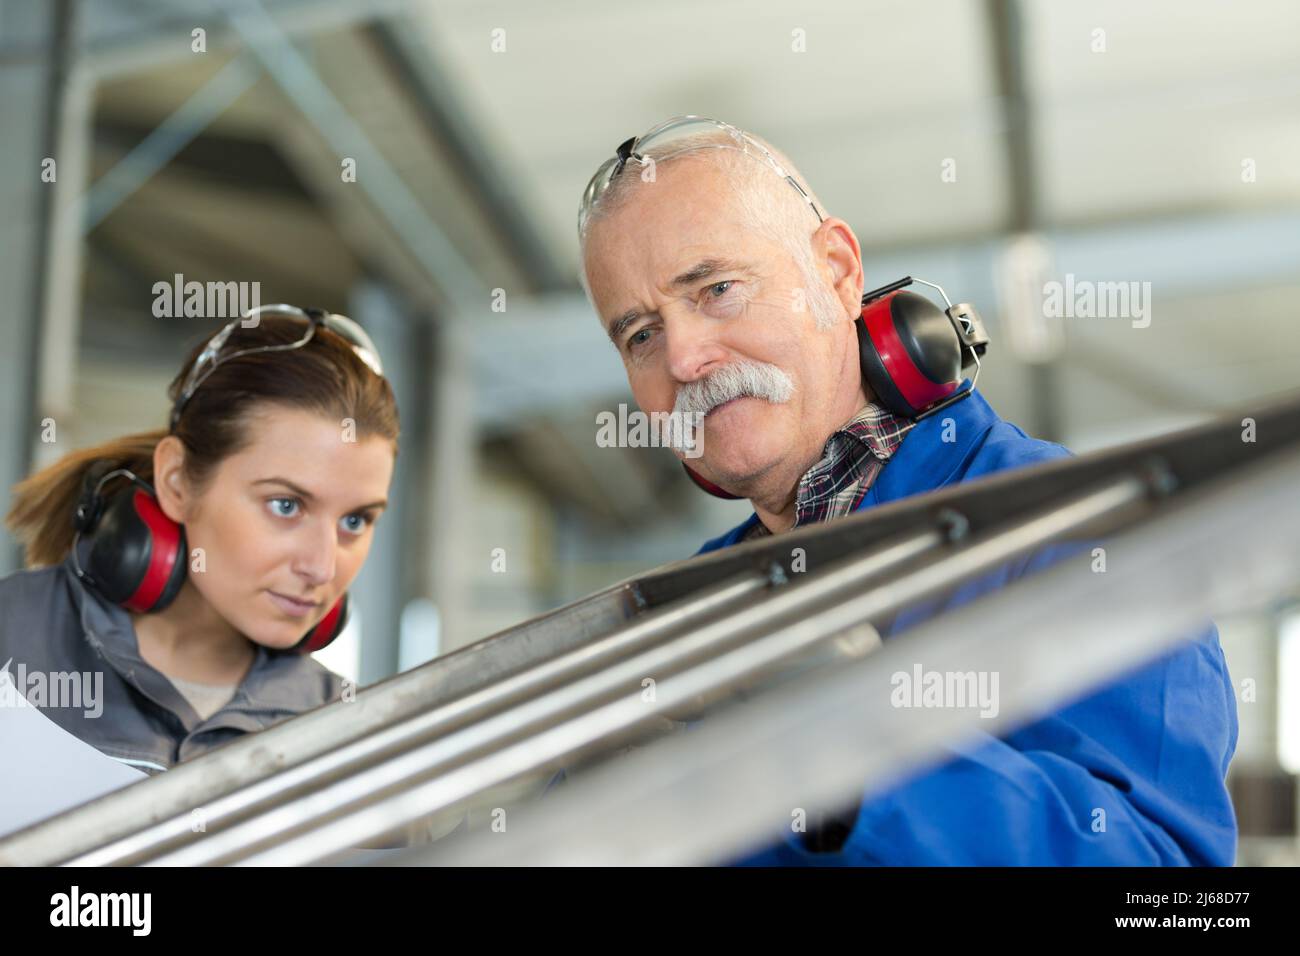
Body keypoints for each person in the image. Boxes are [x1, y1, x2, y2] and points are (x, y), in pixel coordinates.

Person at [575, 115, 1238, 865]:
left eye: (718, 288)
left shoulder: (1089, 536)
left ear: (836, 271)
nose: (685, 356)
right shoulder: (682, 616)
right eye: (640, 335)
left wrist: (847, 753)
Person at [1, 306, 398, 774]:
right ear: (176, 482)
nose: (323, 568)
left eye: (355, 521)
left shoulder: (353, 740)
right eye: (286, 506)